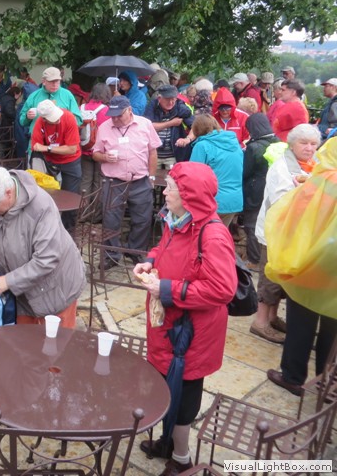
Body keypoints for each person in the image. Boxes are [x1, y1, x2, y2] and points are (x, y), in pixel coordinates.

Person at [133, 162, 237, 475]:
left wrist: (166, 288)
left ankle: (181, 459)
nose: (164, 192)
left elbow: (222, 289)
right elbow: (164, 248)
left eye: (171, 188)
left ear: (189, 196)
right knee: (166, 389)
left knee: (184, 397)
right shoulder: (177, 219)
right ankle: (166, 442)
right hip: (170, 328)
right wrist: (150, 261)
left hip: (191, 336)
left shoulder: (212, 235)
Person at [0, 166, 86, 329]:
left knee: (56, 343)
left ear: (8, 193)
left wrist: (8, 281)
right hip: (20, 291)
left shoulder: (42, 207)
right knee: (23, 341)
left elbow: (46, 258)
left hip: (56, 290)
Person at [264, 137, 337, 396]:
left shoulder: (322, 181)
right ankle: (326, 382)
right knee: (332, 327)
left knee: (301, 323)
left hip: (310, 266)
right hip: (334, 273)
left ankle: (293, 377)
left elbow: (294, 218)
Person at [253, 123, 321, 346]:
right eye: (304, 143)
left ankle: (273, 317)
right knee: (270, 276)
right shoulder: (281, 166)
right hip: (276, 233)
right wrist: (307, 190)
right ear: (292, 144)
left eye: (313, 144)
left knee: (282, 277)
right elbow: (281, 201)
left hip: (295, 234)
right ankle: (260, 322)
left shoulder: (313, 165)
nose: (309, 148)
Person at [91, 96, 161, 268]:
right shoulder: (104, 127)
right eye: (112, 115)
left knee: (142, 219)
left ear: (129, 110)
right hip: (113, 181)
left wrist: (152, 177)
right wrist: (105, 157)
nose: (114, 119)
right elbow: (95, 153)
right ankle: (111, 255)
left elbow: (152, 152)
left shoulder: (145, 124)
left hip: (140, 179)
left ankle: (135, 251)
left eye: (119, 115)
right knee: (111, 219)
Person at [30, 99, 82, 230]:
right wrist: (49, 149)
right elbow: (36, 146)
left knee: (71, 197)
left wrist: (47, 148)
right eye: (53, 119)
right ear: (44, 119)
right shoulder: (40, 123)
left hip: (71, 161)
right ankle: (49, 228)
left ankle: (68, 230)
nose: (58, 120)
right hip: (50, 162)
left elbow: (72, 149)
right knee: (48, 196)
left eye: (57, 115)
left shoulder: (68, 117)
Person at [188, 114, 243, 226]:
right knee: (220, 233)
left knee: (204, 234)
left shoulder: (202, 146)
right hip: (234, 200)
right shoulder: (235, 143)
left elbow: (192, 177)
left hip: (212, 202)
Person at [241, 113, 279, 273]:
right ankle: (267, 258)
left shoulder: (253, 147)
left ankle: (253, 260)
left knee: (252, 224)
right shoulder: (278, 142)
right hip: (274, 188)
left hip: (255, 190)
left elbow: (246, 172)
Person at [79, 83, 111, 222]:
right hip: (99, 152)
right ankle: (95, 216)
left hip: (84, 149)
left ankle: (82, 213)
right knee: (99, 183)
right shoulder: (106, 110)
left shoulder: (81, 107)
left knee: (85, 182)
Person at [19, 67, 82, 137]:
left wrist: (66, 118)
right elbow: (22, 120)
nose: (54, 84)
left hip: (61, 140)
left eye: (57, 81)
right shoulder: (34, 96)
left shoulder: (67, 95)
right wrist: (27, 117)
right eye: (51, 81)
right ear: (44, 81)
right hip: (37, 139)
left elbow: (78, 120)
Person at [144, 84, 194, 169]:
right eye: (167, 99)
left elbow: (195, 126)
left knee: (172, 176)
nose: (171, 103)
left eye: (173, 99)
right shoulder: (152, 106)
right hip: (154, 154)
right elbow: (147, 127)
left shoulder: (180, 107)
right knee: (152, 176)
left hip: (174, 155)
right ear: (159, 98)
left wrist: (187, 139)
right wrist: (170, 123)